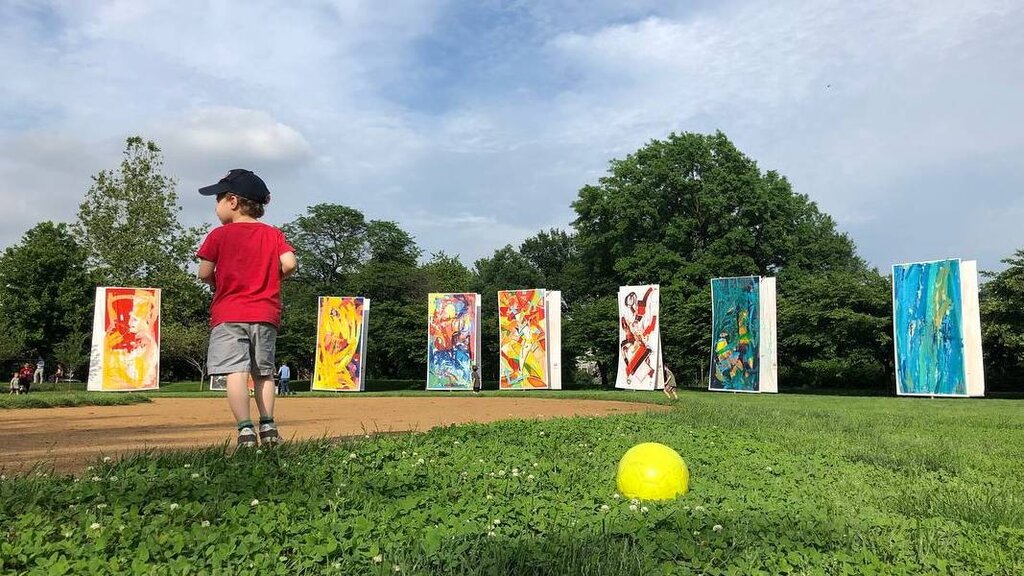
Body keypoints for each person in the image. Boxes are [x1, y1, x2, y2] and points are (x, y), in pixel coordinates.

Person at [196, 169, 297, 449]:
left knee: (236, 372)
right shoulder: (273, 234)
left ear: (232, 201)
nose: (216, 206)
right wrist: (271, 279)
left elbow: (204, 272)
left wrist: (218, 284)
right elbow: (290, 264)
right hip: (265, 314)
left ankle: (245, 431)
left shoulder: (218, 236)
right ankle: (268, 427)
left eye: (217, 199)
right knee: (263, 372)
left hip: (229, 313)